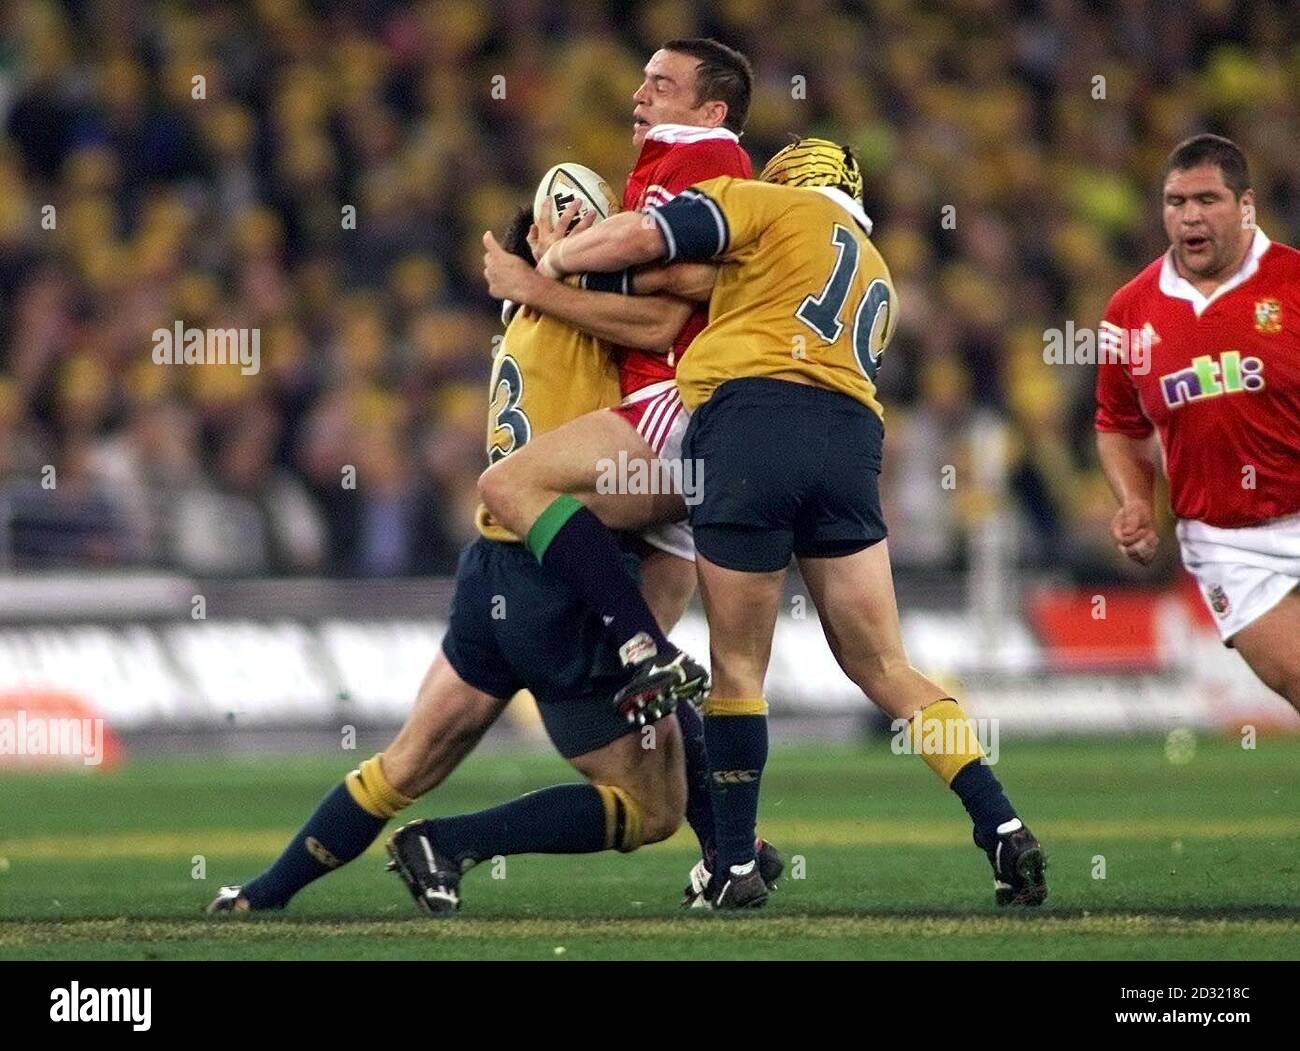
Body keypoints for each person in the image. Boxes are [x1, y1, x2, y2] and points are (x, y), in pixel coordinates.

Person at [208, 200, 780, 916]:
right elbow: (668, 322)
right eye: (565, 221)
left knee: (403, 763)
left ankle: (259, 896)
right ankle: (455, 842)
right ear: (536, 240)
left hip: (491, 574)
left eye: (592, 219)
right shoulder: (573, 308)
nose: (585, 233)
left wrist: (531, 278)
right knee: (649, 804)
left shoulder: (524, 321)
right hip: (560, 578)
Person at [526, 138, 1048, 909]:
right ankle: (1000, 822)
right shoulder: (877, 270)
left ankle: (733, 863)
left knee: (738, 663)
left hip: (750, 421)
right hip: (849, 439)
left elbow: (655, 253)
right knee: (886, 664)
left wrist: (558, 262)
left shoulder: (763, 204)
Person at [1096, 133, 1300, 710]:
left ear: (1246, 206)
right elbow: (1117, 423)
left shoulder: (1292, 282)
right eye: (1175, 202)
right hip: (1228, 544)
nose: (1190, 216)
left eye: (1207, 200)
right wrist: (1135, 500)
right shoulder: (1130, 311)